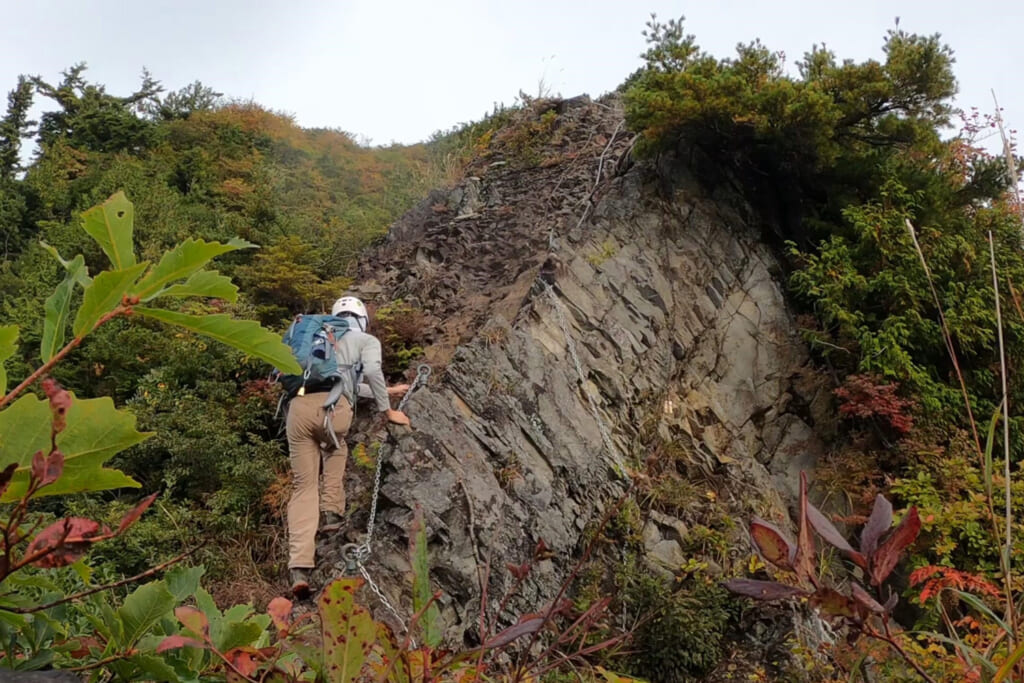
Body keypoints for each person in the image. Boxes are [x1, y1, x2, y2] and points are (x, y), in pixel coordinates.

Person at [286, 295, 411, 598]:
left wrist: (389, 390)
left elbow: (349, 380)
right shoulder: (364, 339)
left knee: (303, 487)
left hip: (298, 410)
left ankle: (300, 568)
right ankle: (331, 514)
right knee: (337, 446)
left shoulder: (316, 338)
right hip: (334, 412)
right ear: (363, 319)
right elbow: (370, 372)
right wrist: (388, 409)